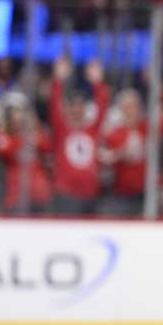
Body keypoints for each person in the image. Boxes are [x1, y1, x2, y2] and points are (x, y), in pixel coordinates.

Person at [100, 85, 163, 216]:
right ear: (121, 109)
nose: (131, 111)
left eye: (134, 106)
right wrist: (118, 155)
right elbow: (103, 160)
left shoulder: (149, 129)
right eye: (127, 107)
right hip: (123, 195)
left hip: (148, 193)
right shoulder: (113, 134)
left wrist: (158, 86)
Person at [49, 57, 109, 215]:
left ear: (85, 108)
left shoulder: (92, 130)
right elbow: (54, 105)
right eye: (73, 106)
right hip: (66, 195)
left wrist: (97, 83)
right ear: (67, 108)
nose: (77, 110)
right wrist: (58, 81)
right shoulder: (62, 129)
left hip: (91, 195)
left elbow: (103, 105)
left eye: (80, 106)